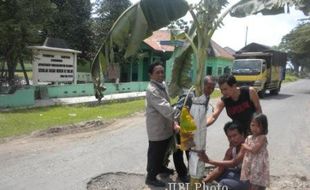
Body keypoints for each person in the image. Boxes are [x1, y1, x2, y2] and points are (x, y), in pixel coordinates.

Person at [173, 76, 216, 183]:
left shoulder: (206, 97)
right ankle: (182, 174)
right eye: (208, 87)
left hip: (193, 129)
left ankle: (192, 171)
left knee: (191, 150)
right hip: (182, 127)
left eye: (212, 88)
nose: (210, 90)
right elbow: (175, 110)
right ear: (202, 86)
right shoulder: (190, 95)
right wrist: (176, 126)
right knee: (179, 151)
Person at [145, 61, 178, 187]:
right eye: (157, 72)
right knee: (155, 152)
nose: (160, 74)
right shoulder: (152, 90)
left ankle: (160, 168)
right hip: (157, 127)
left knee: (163, 150)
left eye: (162, 72)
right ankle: (151, 177)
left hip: (165, 125)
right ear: (150, 75)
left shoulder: (162, 84)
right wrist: (178, 112)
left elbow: (167, 103)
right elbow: (165, 107)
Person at [198, 121, 249, 190]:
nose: (232, 139)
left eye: (235, 135)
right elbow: (220, 168)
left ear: (242, 134)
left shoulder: (247, 146)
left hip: (252, 181)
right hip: (240, 174)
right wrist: (203, 182)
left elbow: (233, 163)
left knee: (223, 183)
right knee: (217, 173)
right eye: (229, 137)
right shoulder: (232, 148)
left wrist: (209, 161)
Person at [240, 113, 270, 190]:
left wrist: (244, 145)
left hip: (258, 166)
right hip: (250, 164)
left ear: (264, 127)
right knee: (251, 183)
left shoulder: (262, 137)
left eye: (258, 126)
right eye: (253, 125)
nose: (255, 128)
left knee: (258, 184)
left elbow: (254, 150)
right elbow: (243, 152)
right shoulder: (249, 137)